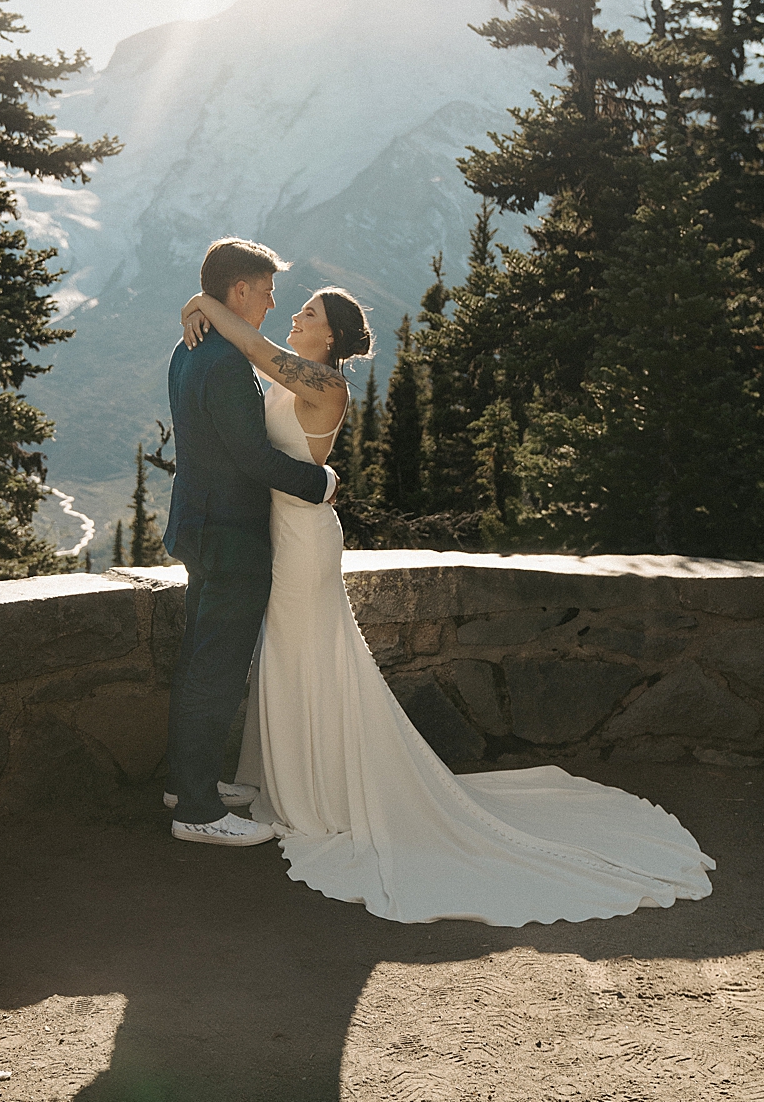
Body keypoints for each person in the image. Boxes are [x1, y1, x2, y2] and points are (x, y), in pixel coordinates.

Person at [176, 281, 716, 926]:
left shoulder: (324, 385)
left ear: (332, 339)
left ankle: (319, 792)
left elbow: (255, 348)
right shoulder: (299, 379)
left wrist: (207, 305)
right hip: (282, 532)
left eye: (310, 313)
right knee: (292, 658)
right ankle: (295, 779)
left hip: (304, 541)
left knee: (308, 655)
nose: (296, 314)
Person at [162, 237, 338, 846]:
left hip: (195, 523)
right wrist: (321, 482)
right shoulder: (228, 363)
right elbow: (255, 458)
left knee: (197, 657)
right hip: (231, 536)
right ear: (238, 291)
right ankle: (199, 811)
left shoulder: (187, 350)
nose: (268, 305)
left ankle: (187, 779)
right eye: (264, 293)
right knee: (217, 667)